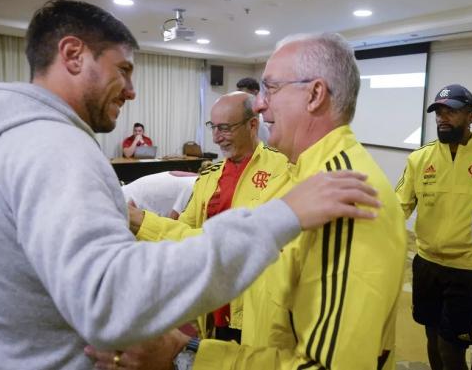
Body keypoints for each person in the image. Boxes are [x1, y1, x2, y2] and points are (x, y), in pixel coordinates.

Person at [0, 0, 381, 369]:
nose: (132, 90)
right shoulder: (55, 148)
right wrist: (279, 219)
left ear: (315, 93)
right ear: (73, 55)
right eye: (124, 69)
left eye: (270, 89)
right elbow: (111, 301)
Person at [88, 32, 407, 370]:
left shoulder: (344, 195)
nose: (259, 103)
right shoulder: (301, 178)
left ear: (314, 95)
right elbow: (220, 245)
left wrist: (190, 356)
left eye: (271, 88)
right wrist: (139, 220)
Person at [129, 91, 288, 343]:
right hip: (214, 303)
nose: (216, 138)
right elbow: (184, 232)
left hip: (257, 307)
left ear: (253, 124)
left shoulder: (282, 170)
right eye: (213, 127)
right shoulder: (209, 176)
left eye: (225, 128)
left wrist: (141, 220)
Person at [396, 84, 472, 370]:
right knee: (431, 335)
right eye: (439, 112)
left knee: (451, 347)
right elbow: (399, 206)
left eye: (452, 111)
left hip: (467, 270)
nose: (443, 117)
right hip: (427, 264)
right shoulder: (419, 159)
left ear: (471, 116)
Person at [121, 170, 198, 218]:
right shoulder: (194, 185)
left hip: (129, 193)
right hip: (128, 202)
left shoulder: (197, 179)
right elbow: (173, 220)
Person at [236, 77, 270, 143]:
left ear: (255, 93)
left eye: (243, 93)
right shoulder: (243, 117)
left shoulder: (266, 117)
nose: (240, 97)